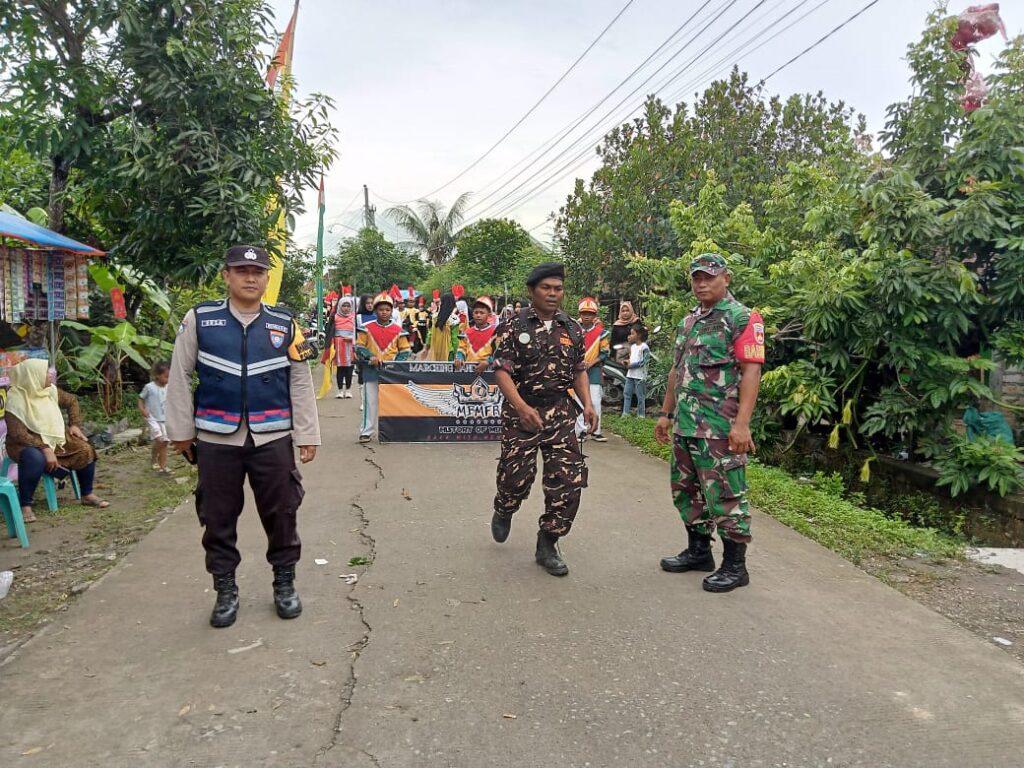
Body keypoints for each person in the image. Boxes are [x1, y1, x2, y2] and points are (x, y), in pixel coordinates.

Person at [166, 245, 320, 628]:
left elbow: (299, 380)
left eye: (257, 271)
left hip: (273, 437)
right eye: (241, 270)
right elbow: (179, 375)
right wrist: (181, 432)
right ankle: (225, 590)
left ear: (267, 278)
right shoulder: (201, 319)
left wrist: (307, 433)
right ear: (227, 276)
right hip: (217, 438)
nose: (250, 277)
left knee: (283, 514)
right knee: (217, 517)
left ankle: (284, 584)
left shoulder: (285, 324)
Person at [654, 253, 764, 593]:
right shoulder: (689, 320)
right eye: (696, 278)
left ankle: (736, 566)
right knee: (686, 491)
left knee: (726, 494)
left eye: (709, 277)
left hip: (719, 426)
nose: (702, 284)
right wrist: (666, 413)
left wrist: (742, 424)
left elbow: (751, 370)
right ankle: (699, 552)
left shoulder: (742, 317)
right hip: (686, 424)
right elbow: (677, 370)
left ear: (726, 279)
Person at [490, 262, 598, 577]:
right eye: (546, 288)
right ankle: (504, 507)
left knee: (568, 483)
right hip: (522, 413)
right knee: (515, 478)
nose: (553, 294)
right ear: (532, 291)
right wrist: (522, 407)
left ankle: (548, 541)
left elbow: (579, 369)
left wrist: (587, 404)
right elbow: (501, 370)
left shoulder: (573, 328)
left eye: (558, 288)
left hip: (561, 413)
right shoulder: (513, 325)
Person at [4, 358, 109, 523]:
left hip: (55, 439)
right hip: (24, 444)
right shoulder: (15, 400)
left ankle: (87, 494)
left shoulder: (50, 390)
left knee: (85, 449)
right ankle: (25, 505)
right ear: (33, 376)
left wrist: (74, 424)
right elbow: (18, 434)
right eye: (44, 373)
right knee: (35, 459)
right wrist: (45, 448)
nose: (48, 376)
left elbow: (72, 401)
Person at [355, 291, 411, 443]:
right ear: (375, 310)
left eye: (387, 309)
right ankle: (366, 431)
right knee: (370, 402)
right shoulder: (365, 328)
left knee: (393, 402)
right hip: (371, 370)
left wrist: (395, 362)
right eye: (381, 309)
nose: (384, 312)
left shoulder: (399, 330)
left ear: (392, 310)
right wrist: (369, 356)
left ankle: (393, 431)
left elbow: (405, 351)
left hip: (391, 372)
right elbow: (358, 347)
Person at [575, 298, 610, 442]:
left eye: (590, 313)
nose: (587, 316)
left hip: (594, 371)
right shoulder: (574, 331)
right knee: (578, 400)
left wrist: (591, 363)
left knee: (595, 400)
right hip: (577, 370)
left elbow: (605, 353)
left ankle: (596, 431)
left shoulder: (602, 333)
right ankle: (581, 431)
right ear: (580, 314)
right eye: (584, 313)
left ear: (595, 315)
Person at [138, 360, 171, 472]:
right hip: (152, 418)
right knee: (160, 440)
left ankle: (161, 464)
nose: (168, 379)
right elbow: (141, 398)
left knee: (165, 442)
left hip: (165, 418)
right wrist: (142, 409)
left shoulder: (169, 387)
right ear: (157, 375)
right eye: (166, 376)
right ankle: (157, 462)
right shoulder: (149, 387)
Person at [455, 296, 499, 372]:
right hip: (469, 372)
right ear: (472, 314)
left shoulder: (495, 333)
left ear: (488, 315)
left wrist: (488, 362)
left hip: (489, 373)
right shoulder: (467, 333)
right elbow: (462, 349)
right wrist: (459, 358)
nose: (478, 315)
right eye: (476, 312)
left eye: (482, 313)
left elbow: (499, 353)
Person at [330, 296, 357, 398]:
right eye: (344, 306)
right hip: (338, 345)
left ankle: (349, 390)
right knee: (340, 369)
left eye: (348, 306)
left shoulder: (354, 317)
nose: (346, 308)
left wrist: (352, 338)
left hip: (350, 346)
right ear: (340, 306)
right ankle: (340, 390)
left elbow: (357, 333)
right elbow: (330, 332)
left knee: (349, 369)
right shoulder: (335, 317)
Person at [622, 325, 651, 417]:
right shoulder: (633, 347)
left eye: (632, 333)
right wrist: (627, 362)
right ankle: (625, 413)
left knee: (640, 396)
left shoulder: (644, 347)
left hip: (640, 375)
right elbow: (632, 358)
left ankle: (641, 415)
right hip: (630, 374)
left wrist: (632, 365)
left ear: (639, 335)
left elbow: (644, 361)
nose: (630, 335)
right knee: (627, 393)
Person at [426, 292, 458, 361]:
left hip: (436, 350)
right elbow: (455, 338)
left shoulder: (434, 317)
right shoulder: (454, 319)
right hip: (449, 351)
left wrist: (426, 347)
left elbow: (430, 334)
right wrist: (457, 354)